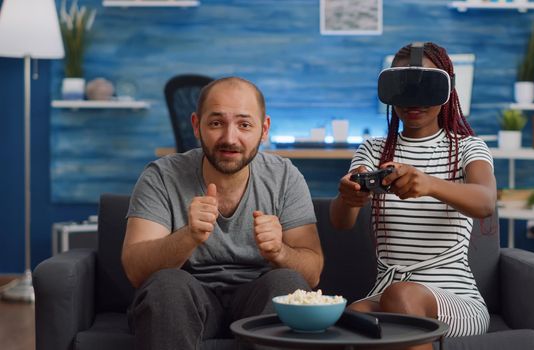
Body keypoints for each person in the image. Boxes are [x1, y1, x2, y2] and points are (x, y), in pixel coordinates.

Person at [122, 77, 324, 350]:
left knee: (287, 282)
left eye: (244, 124)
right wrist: (189, 237)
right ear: (196, 125)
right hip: (189, 298)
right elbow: (135, 271)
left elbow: (312, 274)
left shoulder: (285, 177)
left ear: (264, 129)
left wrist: (279, 252)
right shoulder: (161, 176)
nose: (230, 138)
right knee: (167, 284)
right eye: (216, 123)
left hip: (258, 297)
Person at [330, 42, 497, 348]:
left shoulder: (468, 149)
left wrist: (430, 184)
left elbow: (485, 202)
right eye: (404, 86)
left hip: (455, 299)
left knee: (402, 294)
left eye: (427, 86)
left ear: (447, 90)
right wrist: (349, 196)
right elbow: (341, 222)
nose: (414, 100)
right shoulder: (374, 151)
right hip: (385, 293)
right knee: (349, 319)